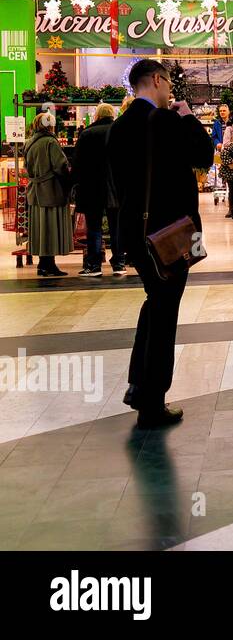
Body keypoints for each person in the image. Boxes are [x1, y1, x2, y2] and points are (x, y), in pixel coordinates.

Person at [109, 58, 215, 429]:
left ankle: (141, 389)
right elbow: (205, 156)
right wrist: (187, 117)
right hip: (169, 236)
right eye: (168, 83)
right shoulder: (166, 121)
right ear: (157, 80)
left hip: (136, 236)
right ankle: (151, 402)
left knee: (156, 303)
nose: (170, 90)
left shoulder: (118, 127)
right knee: (164, 311)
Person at [72, 103, 124, 277]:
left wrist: (72, 183)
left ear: (97, 116)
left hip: (92, 187)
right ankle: (119, 263)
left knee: (94, 226)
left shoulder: (87, 134)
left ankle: (94, 265)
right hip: (116, 187)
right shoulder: (120, 132)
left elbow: (78, 163)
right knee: (116, 226)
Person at [25, 112, 73, 277]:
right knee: (51, 228)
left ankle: (44, 264)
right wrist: (69, 180)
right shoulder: (50, 142)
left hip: (34, 192)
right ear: (50, 125)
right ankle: (48, 265)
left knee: (40, 229)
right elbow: (60, 166)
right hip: (51, 191)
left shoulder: (29, 142)